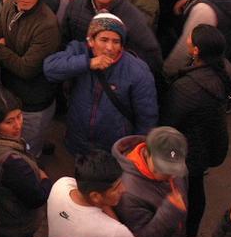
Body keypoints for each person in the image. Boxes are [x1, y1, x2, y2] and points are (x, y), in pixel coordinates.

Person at [44, 14, 158, 155]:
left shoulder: (137, 70)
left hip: (114, 147)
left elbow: (147, 116)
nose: (109, 47)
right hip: (78, 139)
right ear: (90, 40)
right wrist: (88, 63)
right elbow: (50, 69)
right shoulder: (79, 51)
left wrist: (136, 151)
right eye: (104, 40)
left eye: (116, 41)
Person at [162, 24, 231, 237]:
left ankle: (171, 234)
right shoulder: (224, 70)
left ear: (196, 51)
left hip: (181, 150)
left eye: (190, 41)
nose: (186, 42)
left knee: (175, 192)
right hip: (206, 146)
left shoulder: (186, 87)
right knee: (196, 188)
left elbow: (168, 122)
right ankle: (192, 234)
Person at [0, 0, 61, 157]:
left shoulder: (47, 24)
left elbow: (26, 68)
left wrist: (2, 49)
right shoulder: (8, 7)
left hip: (34, 102)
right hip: (12, 93)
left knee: (27, 152)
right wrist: (1, 48)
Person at [0, 88, 52, 237]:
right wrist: (45, 179)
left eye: (19, 116)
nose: (18, 125)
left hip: (2, 220)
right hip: (17, 230)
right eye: (9, 122)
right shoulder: (11, 163)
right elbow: (37, 197)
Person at [47, 151, 141, 237]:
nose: (123, 189)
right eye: (116, 188)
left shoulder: (61, 185)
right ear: (95, 196)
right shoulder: (114, 234)